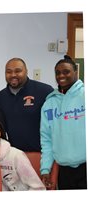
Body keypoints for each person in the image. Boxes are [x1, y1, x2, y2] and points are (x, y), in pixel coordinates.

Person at [40, 55, 86, 190]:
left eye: (66, 71)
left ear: (76, 72)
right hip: (64, 171)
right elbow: (46, 139)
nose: (61, 76)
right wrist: (45, 169)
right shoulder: (49, 104)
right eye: (57, 73)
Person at [0, 58, 54, 152]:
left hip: (43, 154)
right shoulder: (0, 97)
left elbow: (56, 124)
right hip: (14, 155)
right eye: (9, 72)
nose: (13, 75)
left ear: (26, 71)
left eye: (18, 71)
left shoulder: (44, 91)